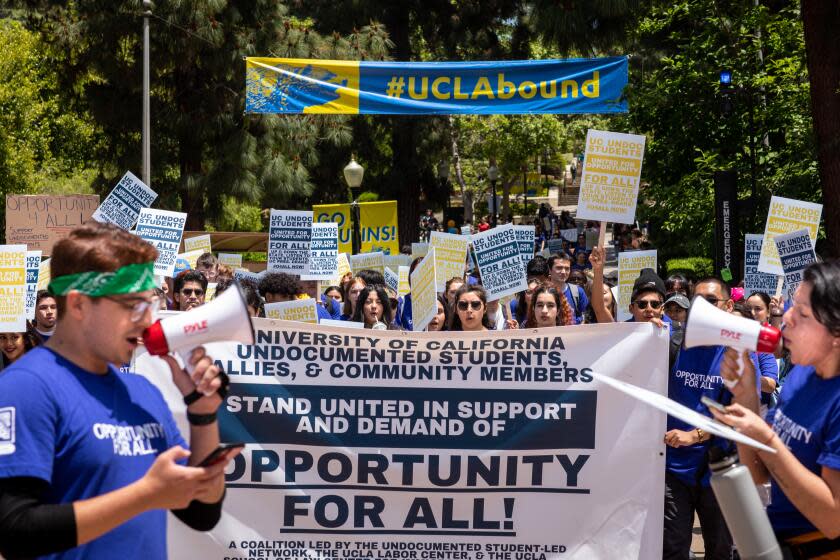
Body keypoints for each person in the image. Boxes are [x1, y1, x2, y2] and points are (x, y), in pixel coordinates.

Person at [0, 222, 234, 559]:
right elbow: (13, 531)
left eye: (149, 305)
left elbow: (201, 512)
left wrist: (203, 412)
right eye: (131, 306)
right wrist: (146, 494)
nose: (146, 323)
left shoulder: (141, 390)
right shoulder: (26, 388)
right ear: (79, 305)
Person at [711, 261, 840, 556]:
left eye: (803, 313)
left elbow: (833, 521)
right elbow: (760, 475)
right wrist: (747, 399)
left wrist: (767, 440)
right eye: (793, 306)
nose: (788, 318)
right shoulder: (801, 374)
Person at [663, 277, 743, 560]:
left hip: (719, 474)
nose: (702, 308)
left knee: (719, 551)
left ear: (729, 306)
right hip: (674, 471)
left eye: (710, 302)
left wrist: (695, 435)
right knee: (672, 550)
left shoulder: (739, 354)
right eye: (697, 302)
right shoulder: (672, 344)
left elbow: (740, 416)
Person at [548, 253, 588, 324]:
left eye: (567, 268)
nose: (563, 272)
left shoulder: (578, 292)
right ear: (550, 270)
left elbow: (586, 316)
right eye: (559, 268)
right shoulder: (541, 292)